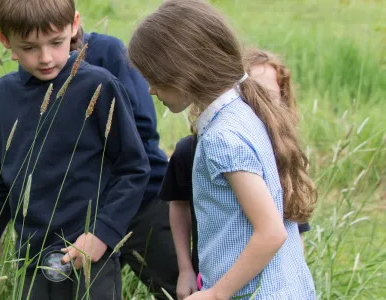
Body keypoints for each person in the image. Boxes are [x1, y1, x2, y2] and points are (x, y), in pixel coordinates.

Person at [0, 0, 151, 299]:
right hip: (32, 263)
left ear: (74, 25)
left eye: (57, 42)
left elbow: (134, 169)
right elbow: (2, 187)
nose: (46, 57)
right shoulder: (0, 98)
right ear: (4, 39)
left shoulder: (100, 86)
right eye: (30, 47)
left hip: (91, 261)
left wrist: (101, 235)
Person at [127, 0, 317, 298]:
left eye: (154, 78)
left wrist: (217, 293)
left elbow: (271, 232)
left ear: (183, 69)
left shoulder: (222, 138)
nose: (150, 89)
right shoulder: (245, 108)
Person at [159, 46, 313, 299]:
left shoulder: (281, 151)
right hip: (214, 275)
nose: (258, 102)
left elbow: (290, 227)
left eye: (269, 94)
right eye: (251, 91)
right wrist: (186, 269)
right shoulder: (195, 149)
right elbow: (178, 205)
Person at [75, 26, 180, 298]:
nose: (45, 55)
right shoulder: (35, 68)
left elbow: (143, 127)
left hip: (142, 200)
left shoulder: (107, 52)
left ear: (73, 21)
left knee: (179, 289)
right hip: (84, 214)